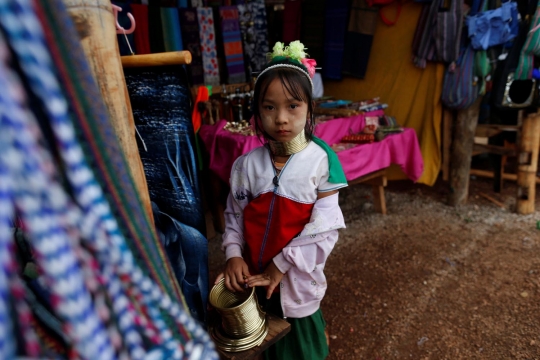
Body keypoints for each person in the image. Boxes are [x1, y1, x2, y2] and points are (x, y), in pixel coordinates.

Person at [215, 40, 348, 360]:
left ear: (309, 107)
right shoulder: (246, 166)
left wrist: (281, 265)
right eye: (269, 107)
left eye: (293, 106)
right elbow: (234, 216)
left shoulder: (322, 163)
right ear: (257, 112)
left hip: (297, 285)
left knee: (301, 348)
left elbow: (324, 231)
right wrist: (234, 254)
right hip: (252, 284)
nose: (281, 118)